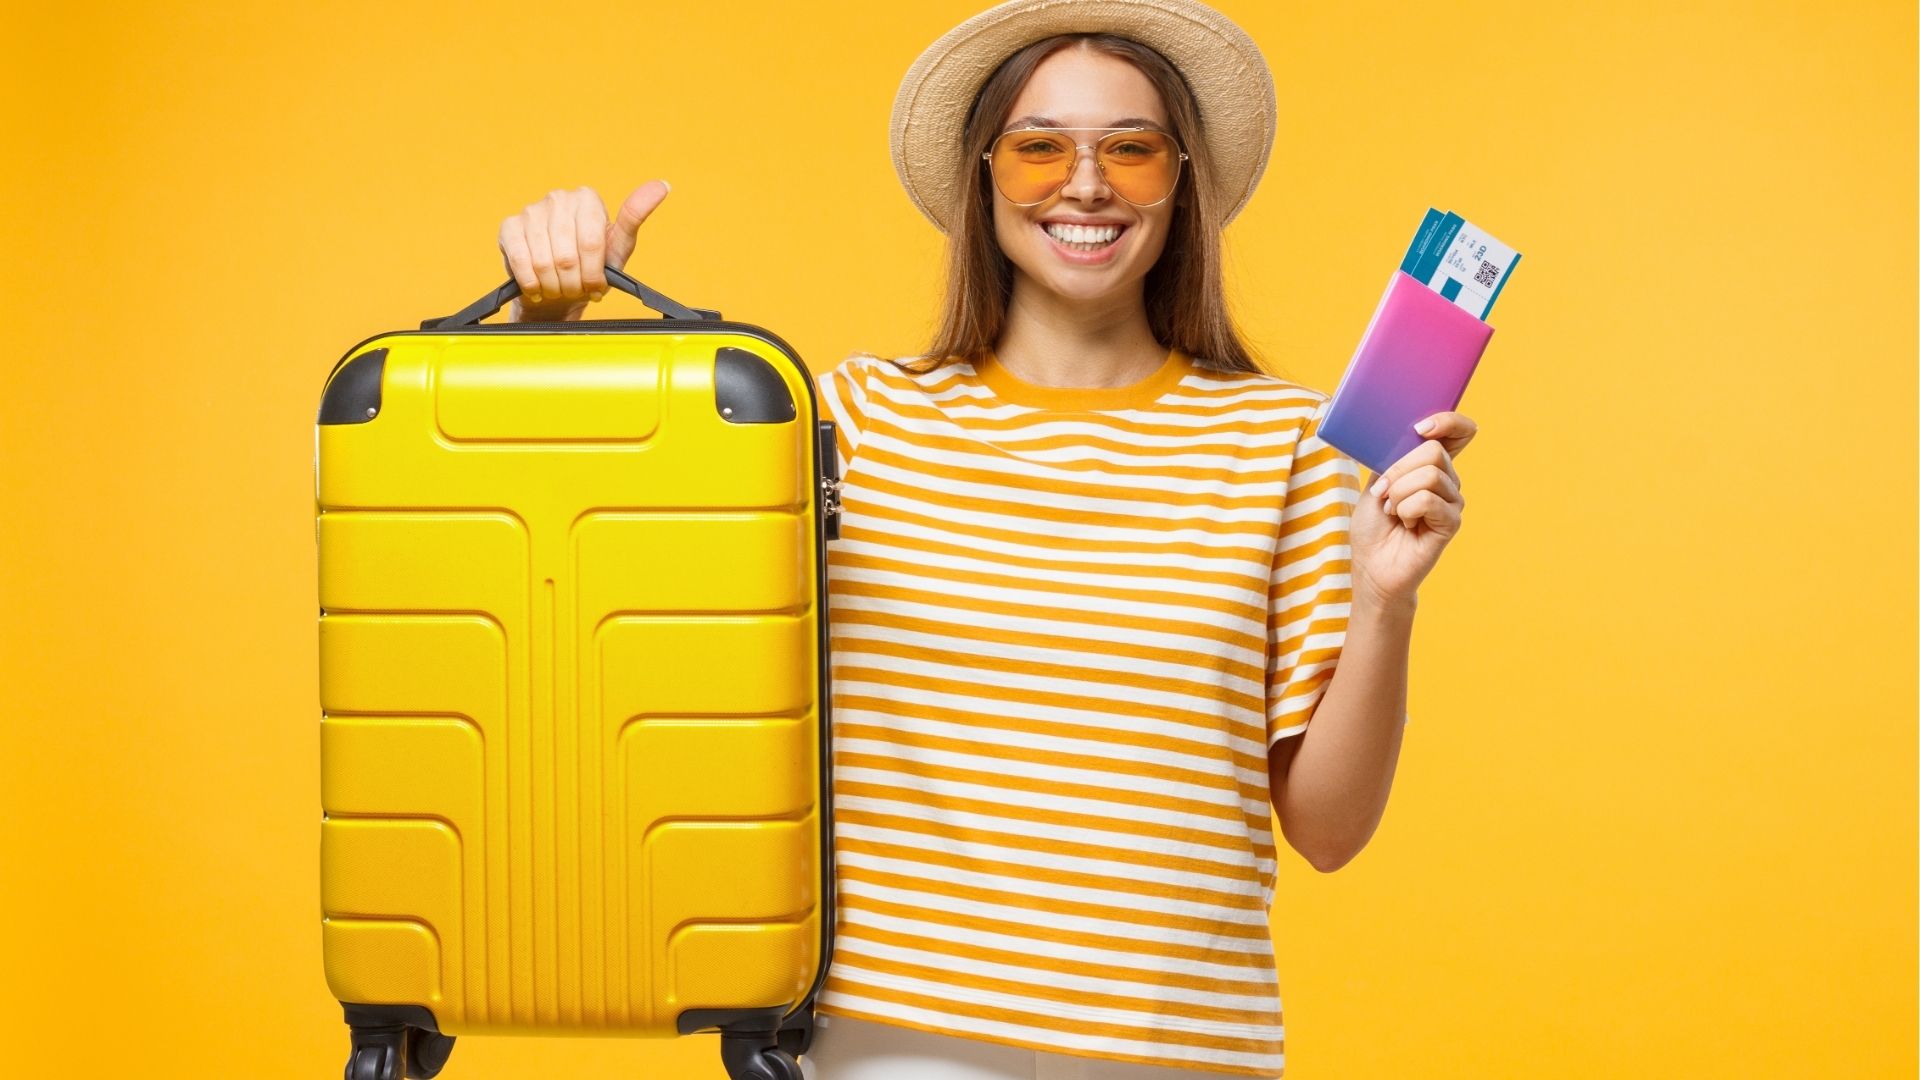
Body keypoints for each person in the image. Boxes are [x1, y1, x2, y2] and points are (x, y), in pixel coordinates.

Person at [495, 0, 1476, 1075]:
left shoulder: (1285, 442)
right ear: (983, 176)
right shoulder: (856, 419)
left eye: (1133, 151)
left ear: (1181, 180)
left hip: (1177, 1050)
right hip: (893, 1041)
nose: (1087, 185)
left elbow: (1328, 832)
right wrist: (548, 331)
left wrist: (1387, 598)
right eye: (1038, 147)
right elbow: (597, 597)